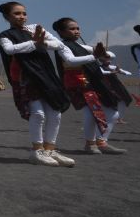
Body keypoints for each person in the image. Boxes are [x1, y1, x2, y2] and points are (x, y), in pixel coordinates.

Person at [0, 2, 73, 167]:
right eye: (17, 13)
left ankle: (49, 150)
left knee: (55, 113)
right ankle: (37, 151)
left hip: (46, 74)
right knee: (38, 114)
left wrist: (42, 43)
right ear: (7, 17)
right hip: (27, 77)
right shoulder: (4, 36)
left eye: (24, 13)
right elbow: (10, 50)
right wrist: (34, 43)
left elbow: (59, 44)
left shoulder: (35, 28)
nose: (22, 16)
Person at [51, 18, 125, 155]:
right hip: (78, 83)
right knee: (90, 113)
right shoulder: (61, 46)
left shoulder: (82, 47)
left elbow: (107, 56)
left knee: (113, 114)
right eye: (72, 29)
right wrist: (95, 56)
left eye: (78, 28)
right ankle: (90, 144)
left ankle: (101, 141)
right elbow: (71, 61)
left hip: (92, 83)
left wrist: (104, 55)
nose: (76, 31)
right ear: (61, 32)